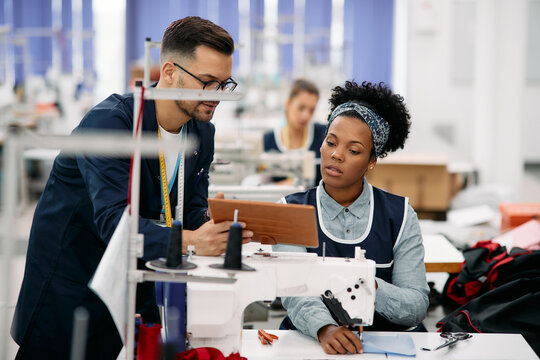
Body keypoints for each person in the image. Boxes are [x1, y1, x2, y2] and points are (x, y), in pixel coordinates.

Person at [11, 16, 252, 359]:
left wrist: (217, 223)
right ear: (169, 72)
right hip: (74, 284)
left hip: (140, 284)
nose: (217, 96)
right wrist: (191, 239)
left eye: (224, 84)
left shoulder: (201, 133)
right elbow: (114, 223)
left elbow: (190, 209)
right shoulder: (111, 123)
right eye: (208, 82)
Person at [276, 81, 430, 355]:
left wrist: (369, 287)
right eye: (331, 142)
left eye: (354, 150)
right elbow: (294, 291)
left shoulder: (400, 215)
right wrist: (324, 327)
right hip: (313, 344)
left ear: (372, 160)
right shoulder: (292, 210)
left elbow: (416, 303)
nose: (336, 154)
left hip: (385, 345)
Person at [263, 79, 325, 186]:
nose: (306, 115)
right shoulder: (269, 140)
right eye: (301, 108)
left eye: (311, 110)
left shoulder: (323, 135)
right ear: (288, 104)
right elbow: (262, 184)